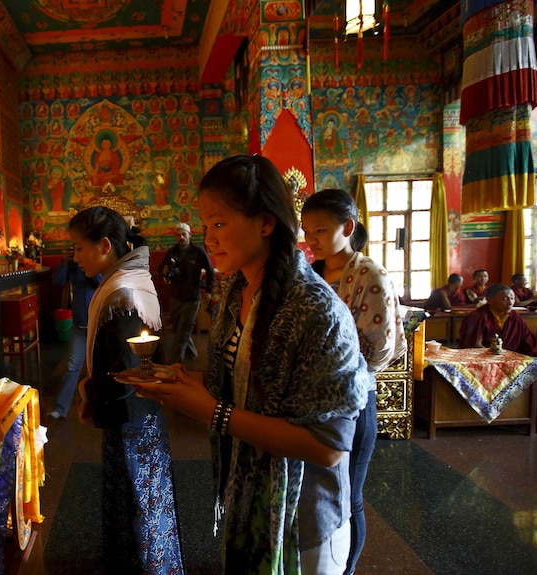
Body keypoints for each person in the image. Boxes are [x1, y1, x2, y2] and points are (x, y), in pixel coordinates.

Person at [133, 155, 368, 574]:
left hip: (302, 521)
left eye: (220, 223)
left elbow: (328, 446)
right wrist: (184, 383)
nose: (210, 238)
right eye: (205, 225)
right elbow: (244, 384)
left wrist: (212, 412)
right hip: (244, 500)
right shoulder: (238, 291)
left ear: (265, 222)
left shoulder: (316, 310)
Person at [69, 206, 184, 574]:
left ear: (104, 246)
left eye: (78, 248)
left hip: (132, 420)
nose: (75, 258)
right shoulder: (129, 280)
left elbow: (125, 374)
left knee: (139, 501)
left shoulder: (122, 294)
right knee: (139, 498)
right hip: (140, 415)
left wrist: (88, 389)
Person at [301, 189, 407, 575]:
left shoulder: (368, 274)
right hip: (311, 400)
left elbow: (379, 348)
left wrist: (331, 363)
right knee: (318, 491)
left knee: (350, 495)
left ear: (347, 227)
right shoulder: (310, 274)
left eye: (320, 231)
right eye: (306, 231)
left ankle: (346, 569)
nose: (310, 240)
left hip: (354, 399)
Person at [48, 249, 101, 419]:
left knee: (101, 367)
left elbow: (101, 281)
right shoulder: (72, 264)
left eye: (81, 248)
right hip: (79, 324)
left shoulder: (98, 260)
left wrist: (89, 263)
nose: (78, 253)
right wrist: (65, 262)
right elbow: (57, 281)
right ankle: (60, 408)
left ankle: (101, 407)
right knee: (72, 366)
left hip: (100, 325)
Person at [158, 221, 214, 365]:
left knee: (183, 332)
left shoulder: (198, 251)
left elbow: (210, 271)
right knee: (178, 330)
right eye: (178, 235)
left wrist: (209, 290)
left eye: (184, 234)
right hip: (175, 297)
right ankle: (192, 353)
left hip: (192, 297)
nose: (181, 237)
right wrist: (164, 272)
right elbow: (160, 270)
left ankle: (174, 364)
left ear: (189, 235)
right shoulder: (172, 252)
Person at [459, 283, 537, 357]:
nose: (510, 303)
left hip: (512, 359)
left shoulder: (515, 317)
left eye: (512, 298)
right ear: (489, 300)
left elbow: (528, 340)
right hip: (485, 360)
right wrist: (496, 356)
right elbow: (473, 346)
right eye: (505, 299)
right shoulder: (476, 317)